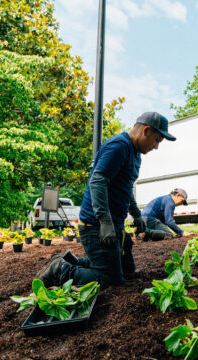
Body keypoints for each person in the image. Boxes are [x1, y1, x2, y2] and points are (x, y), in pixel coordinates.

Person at [35, 112, 176, 287]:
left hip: (114, 226)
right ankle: (59, 269)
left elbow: (125, 188)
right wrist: (105, 221)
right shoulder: (119, 147)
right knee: (110, 279)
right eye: (157, 140)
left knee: (126, 269)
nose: (156, 147)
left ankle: (69, 260)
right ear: (146, 130)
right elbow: (97, 181)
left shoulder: (135, 153)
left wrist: (136, 214)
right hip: (96, 225)